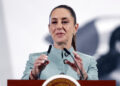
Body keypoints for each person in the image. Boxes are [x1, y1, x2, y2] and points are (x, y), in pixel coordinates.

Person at [22, 5, 98, 80]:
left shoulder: (89, 61)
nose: (59, 26)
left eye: (64, 22)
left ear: (75, 28)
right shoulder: (34, 59)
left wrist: (83, 75)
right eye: (54, 22)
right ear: (49, 28)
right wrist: (33, 75)